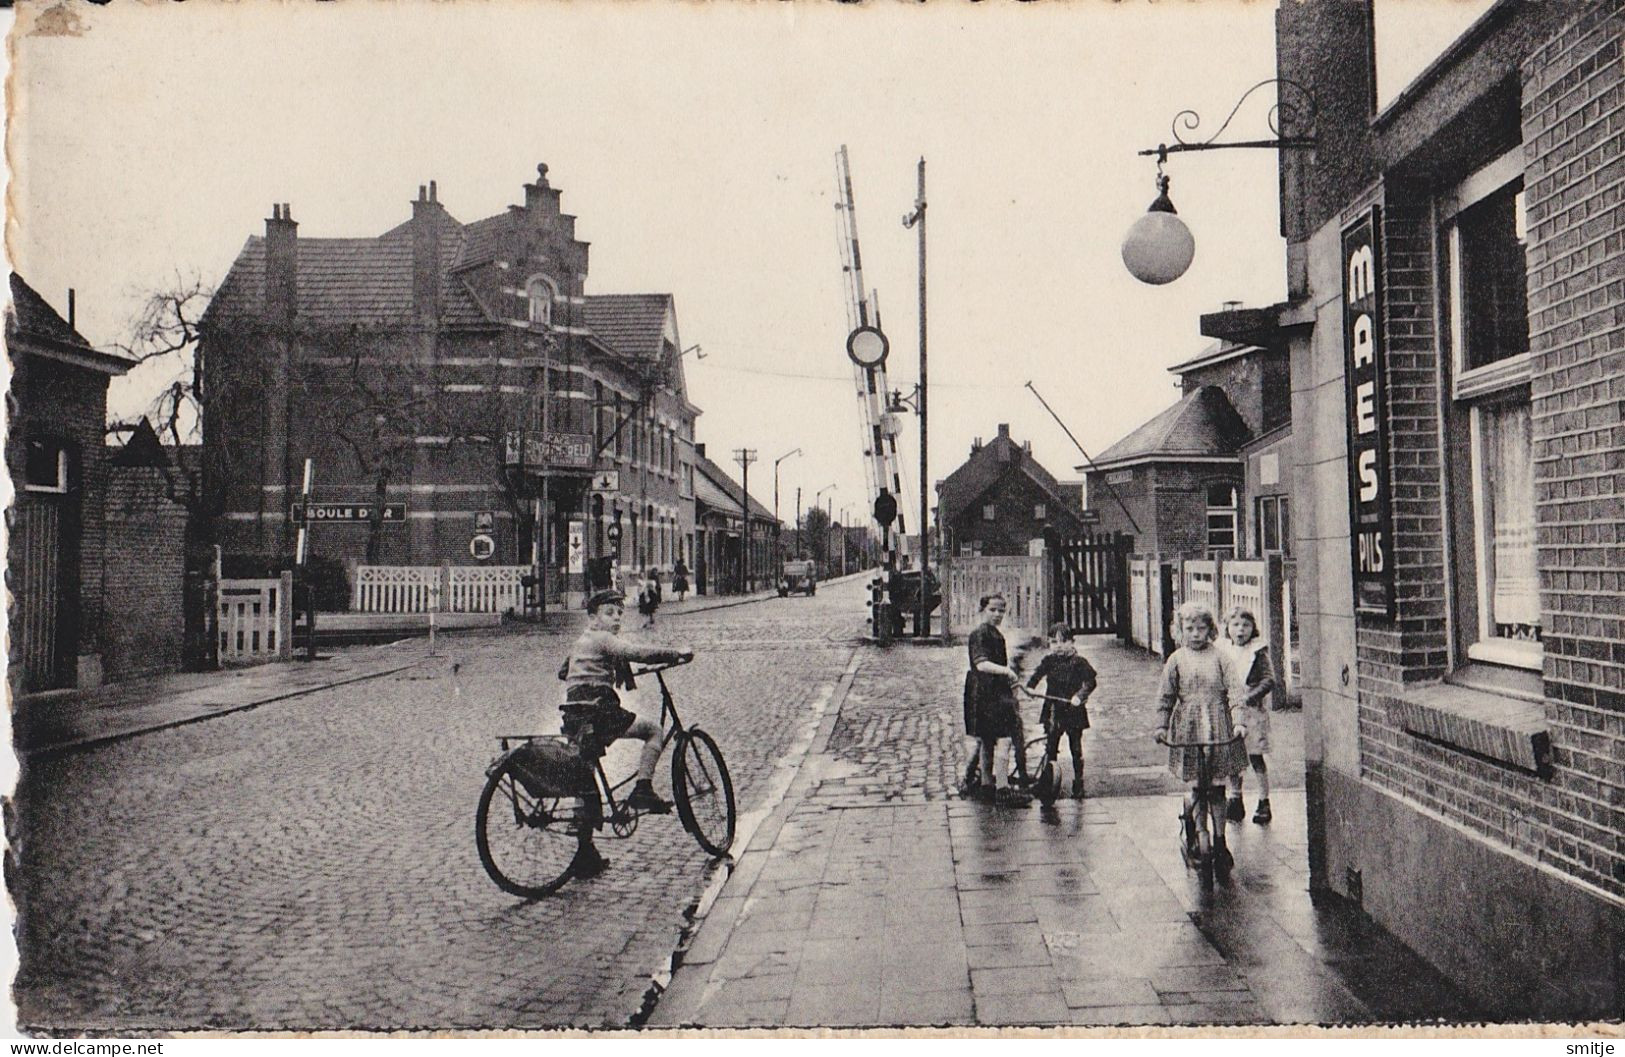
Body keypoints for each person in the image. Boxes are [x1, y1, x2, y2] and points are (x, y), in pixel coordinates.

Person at [559, 589, 693, 878]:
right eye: (609, 613)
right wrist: (674, 654)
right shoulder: (604, 639)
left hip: (575, 714)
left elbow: (565, 671)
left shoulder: (583, 641)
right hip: (599, 711)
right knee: (653, 730)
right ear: (593, 618)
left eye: (620, 612)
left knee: (586, 773)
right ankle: (643, 789)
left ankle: (585, 854)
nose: (616, 618)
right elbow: (635, 653)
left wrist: (595, 668)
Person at [1152, 601, 1248, 871]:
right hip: (1189, 727)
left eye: (1201, 628)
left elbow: (1235, 692)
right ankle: (1199, 831)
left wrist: (1239, 721)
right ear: (1180, 631)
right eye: (1189, 629)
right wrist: (1160, 725)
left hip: (1218, 723)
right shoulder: (1176, 660)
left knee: (1217, 788)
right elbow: (1165, 696)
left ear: (1211, 630)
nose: (1195, 634)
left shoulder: (1220, 658)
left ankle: (1220, 839)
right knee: (1197, 785)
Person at [965, 593, 1032, 808]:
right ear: (983, 610)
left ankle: (987, 786)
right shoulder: (980, 634)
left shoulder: (994, 634)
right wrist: (1008, 672)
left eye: (1001, 610)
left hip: (988, 692)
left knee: (987, 740)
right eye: (992, 610)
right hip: (988, 693)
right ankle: (1002, 788)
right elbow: (981, 664)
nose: (997, 614)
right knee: (1002, 739)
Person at [1026, 622, 1098, 800]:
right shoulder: (1049, 661)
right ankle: (1048, 782)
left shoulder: (1079, 662)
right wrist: (1030, 687)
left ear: (1072, 642)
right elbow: (1036, 675)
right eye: (1053, 642)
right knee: (1051, 747)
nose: (1058, 646)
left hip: (1073, 710)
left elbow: (1091, 682)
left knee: (1076, 748)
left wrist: (1080, 696)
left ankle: (1078, 782)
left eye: (1063, 641)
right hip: (1053, 709)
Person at [1222, 606, 1276, 824]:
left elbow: (1268, 680)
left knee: (1255, 756)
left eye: (1245, 625)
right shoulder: (1223, 650)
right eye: (1235, 625)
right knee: (1233, 756)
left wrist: (1250, 697)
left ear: (1253, 628)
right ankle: (1235, 799)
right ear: (1227, 628)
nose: (1240, 630)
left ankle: (1264, 801)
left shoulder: (1258, 652)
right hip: (1231, 711)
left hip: (1252, 712)